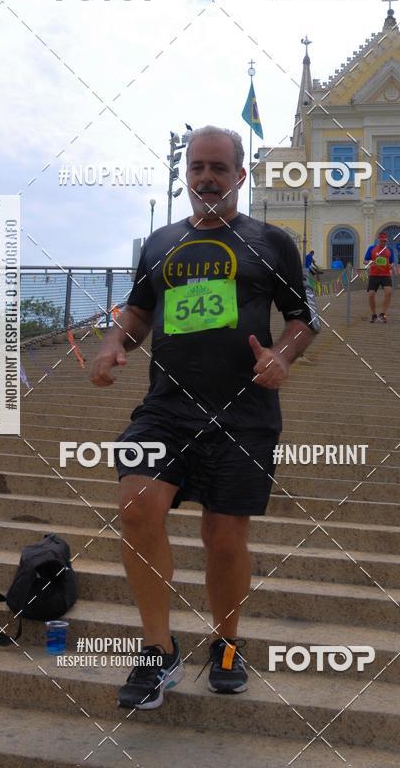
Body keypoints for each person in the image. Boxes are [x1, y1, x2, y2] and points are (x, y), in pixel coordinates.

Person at [90, 125, 319, 710]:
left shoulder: (271, 242)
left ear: (240, 175)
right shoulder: (159, 242)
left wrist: (280, 356)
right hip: (166, 408)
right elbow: (140, 313)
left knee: (223, 538)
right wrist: (117, 341)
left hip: (244, 412)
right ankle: (157, 651)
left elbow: (303, 318)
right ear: (185, 174)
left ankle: (225, 642)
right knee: (136, 504)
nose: (207, 178)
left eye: (219, 167)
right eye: (197, 168)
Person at [364, 230, 394, 323]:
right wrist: (370, 262)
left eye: (385, 241)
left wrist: (391, 265)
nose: (383, 243)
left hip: (385, 275)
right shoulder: (371, 249)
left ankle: (382, 314)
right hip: (374, 275)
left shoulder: (390, 250)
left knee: (388, 292)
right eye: (382, 241)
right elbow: (365, 261)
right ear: (378, 240)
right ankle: (373, 314)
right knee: (371, 294)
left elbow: (392, 262)